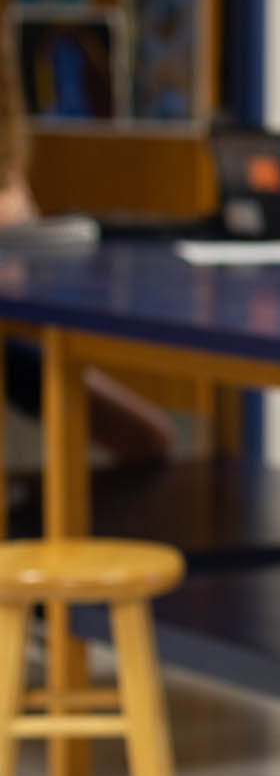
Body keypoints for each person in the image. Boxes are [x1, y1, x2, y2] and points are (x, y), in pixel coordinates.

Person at [0, 33, 172, 467]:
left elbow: (19, 221)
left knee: (149, 438)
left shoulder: (7, 148)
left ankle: (57, 522)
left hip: (15, 343)